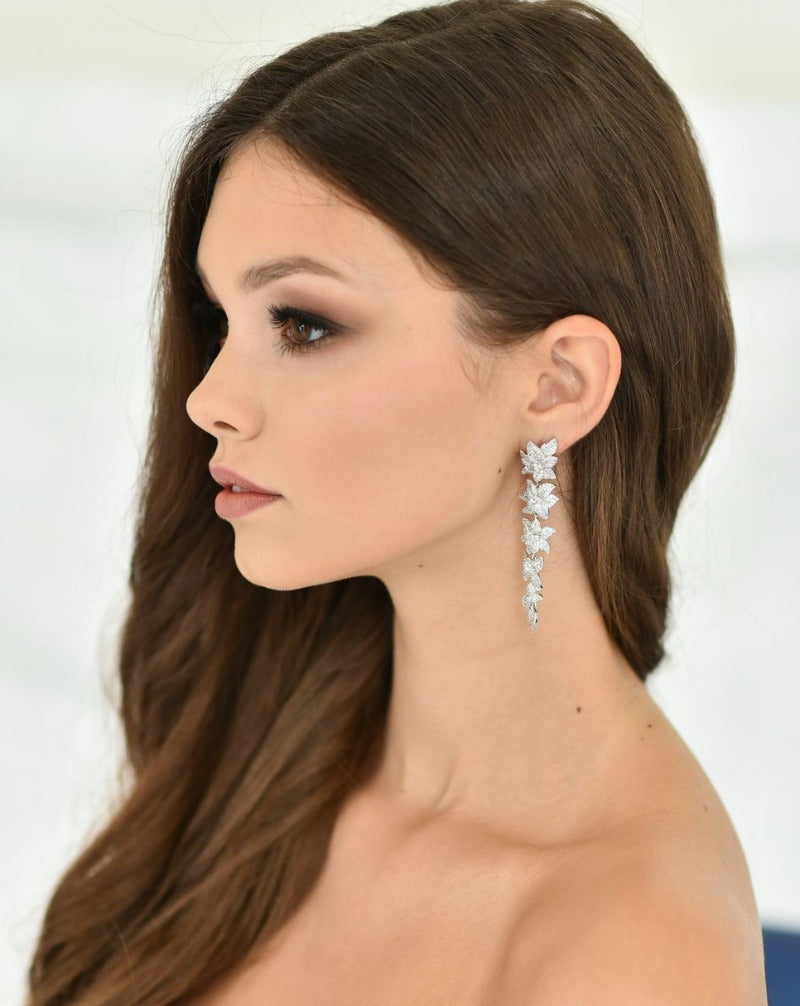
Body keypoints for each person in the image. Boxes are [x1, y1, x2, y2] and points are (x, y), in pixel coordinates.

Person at [25, 1, 768, 1003]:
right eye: (218, 317)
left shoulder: (635, 952)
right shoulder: (257, 769)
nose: (207, 399)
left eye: (302, 323)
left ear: (557, 385)